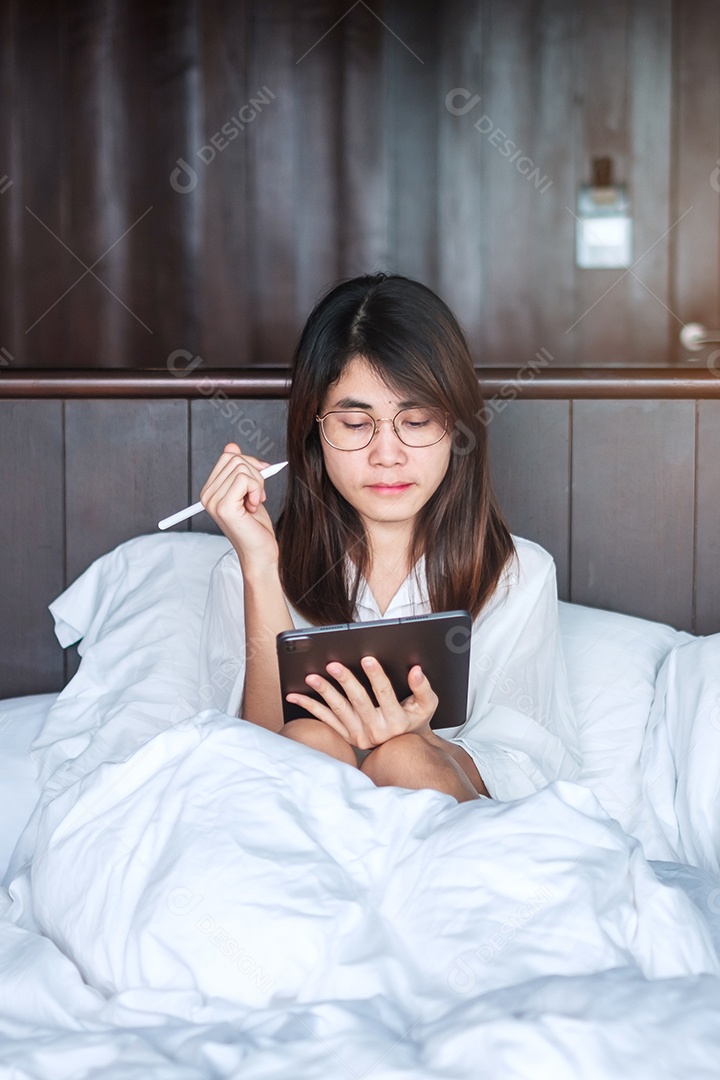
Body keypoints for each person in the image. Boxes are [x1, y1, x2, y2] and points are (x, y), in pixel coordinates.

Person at [198, 273, 582, 804]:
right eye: (356, 424)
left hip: (453, 837)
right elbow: (257, 766)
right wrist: (261, 567)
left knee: (401, 757)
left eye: (417, 420)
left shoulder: (520, 574)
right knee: (310, 739)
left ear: (458, 425)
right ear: (314, 432)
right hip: (301, 843)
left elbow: (525, 764)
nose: (387, 454)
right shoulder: (243, 571)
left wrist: (418, 744)